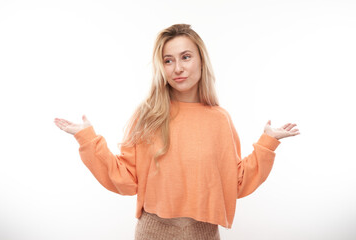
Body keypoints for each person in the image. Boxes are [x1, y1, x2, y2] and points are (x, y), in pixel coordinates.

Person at [54, 23, 300, 240]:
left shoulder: (219, 119)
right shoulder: (148, 115)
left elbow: (235, 182)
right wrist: (87, 138)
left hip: (204, 234)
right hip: (152, 233)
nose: (177, 68)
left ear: (201, 60)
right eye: (168, 60)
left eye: (185, 57)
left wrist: (268, 142)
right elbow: (126, 179)